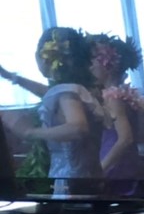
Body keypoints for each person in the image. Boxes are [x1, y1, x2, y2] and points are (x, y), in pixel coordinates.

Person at [4, 27, 100, 197]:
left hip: (71, 180)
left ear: (46, 56)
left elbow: (78, 127)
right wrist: (14, 78)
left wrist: (29, 132)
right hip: (89, 176)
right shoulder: (78, 89)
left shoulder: (66, 92)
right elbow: (49, 93)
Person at [87, 32, 144, 189]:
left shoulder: (114, 97)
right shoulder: (120, 93)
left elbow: (125, 138)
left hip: (116, 167)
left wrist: (101, 169)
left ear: (108, 65)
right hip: (124, 163)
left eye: (94, 61)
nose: (90, 67)